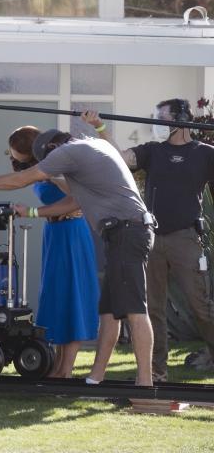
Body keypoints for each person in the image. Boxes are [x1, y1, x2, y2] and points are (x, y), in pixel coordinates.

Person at [0, 128, 156, 386]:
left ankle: (145, 385)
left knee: (134, 311)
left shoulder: (69, 153)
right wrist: (31, 212)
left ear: (52, 149)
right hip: (122, 232)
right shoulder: (89, 146)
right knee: (109, 312)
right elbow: (74, 201)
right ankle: (95, 379)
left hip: (128, 230)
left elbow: (20, 180)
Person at [83, 100, 214, 382]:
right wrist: (99, 127)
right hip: (152, 237)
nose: (158, 123)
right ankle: (157, 371)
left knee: (200, 305)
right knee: (153, 308)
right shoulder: (153, 151)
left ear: (181, 119)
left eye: (163, 118)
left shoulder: (206, 154)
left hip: (186, 238)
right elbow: (121, 158)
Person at [8, 126, 99, 378]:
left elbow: (79, 193)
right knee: (58, 297)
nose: (11, 155)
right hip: (55, 233)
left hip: (72, 232)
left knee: (72, 296)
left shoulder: (57, 165)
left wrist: (49, 181)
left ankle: (65, 371)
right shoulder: (36, 168)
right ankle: (58, 367)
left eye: (15, 150)